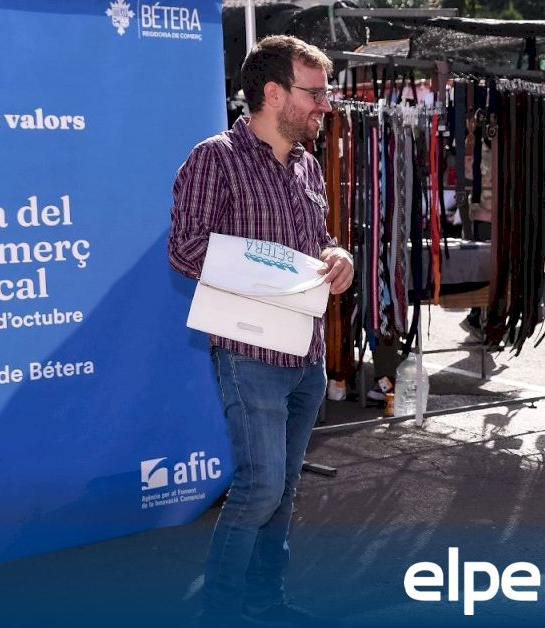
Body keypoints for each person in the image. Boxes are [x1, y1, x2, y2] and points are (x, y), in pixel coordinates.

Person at [168, 35, 352, 627]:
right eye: (314, 92)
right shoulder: (214, 158)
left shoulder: (307, 164)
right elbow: (185, 248)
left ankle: (265, 600)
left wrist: (337, 255)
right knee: (260, 489)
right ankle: (220, 612)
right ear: (273, 93)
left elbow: (315, 242)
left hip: (307, 353)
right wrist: (261, 273)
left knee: (284, 490)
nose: (324, 104)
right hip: (249, 352)